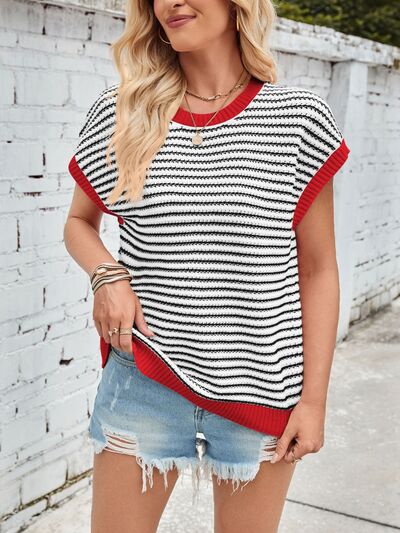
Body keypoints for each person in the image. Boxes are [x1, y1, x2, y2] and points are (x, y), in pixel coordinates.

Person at [64, 0, 350, 531]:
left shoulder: (299, 118)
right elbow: (79, 222)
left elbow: (318, 269)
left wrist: (314, 401)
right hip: (144, 378)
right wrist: (108, 275)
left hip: (262, 389)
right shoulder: (121, 112)